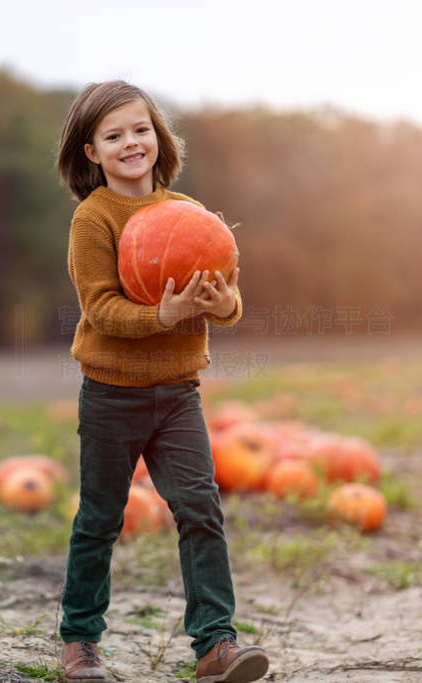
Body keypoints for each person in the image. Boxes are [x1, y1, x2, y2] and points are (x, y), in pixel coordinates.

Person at [55, 80, 269, 683]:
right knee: (100, 517)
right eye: (114, 135)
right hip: (110, 394)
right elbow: (101, 310)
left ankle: (216, 644)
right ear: (91, 151)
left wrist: (223, 304)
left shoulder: (191, 216)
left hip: (178, 395)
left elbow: (229, 304)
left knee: (200, 509)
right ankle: (79, 641)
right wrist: (163, 316)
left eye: (141, 129)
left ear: (159, 137)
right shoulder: (93, 219)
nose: (132, 143)